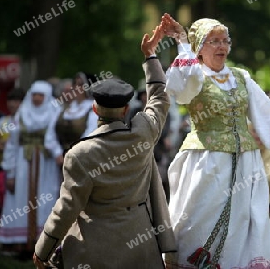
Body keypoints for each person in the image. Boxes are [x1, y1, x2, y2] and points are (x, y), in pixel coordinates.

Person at [161, 13, 270, 268]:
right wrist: (183, 42)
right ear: (200, 48)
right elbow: (180, 87)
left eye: (225, 41)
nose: (222, 46)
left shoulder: (241, 77)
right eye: (214, 41)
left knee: (243, 219)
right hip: (207, 161)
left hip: (245, 162)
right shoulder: (195, 76)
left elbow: (265, 110)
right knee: (200, 218)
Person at [33, 26, 176, 269]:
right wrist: (150, 55)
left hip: (92, 252)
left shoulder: (79, 154)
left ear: (95, 109)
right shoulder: (143, 133)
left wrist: (43, 249)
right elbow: (160, 98)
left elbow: (67, 208)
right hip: (141, 249)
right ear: (125, 110)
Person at [0, 81, 61, 258]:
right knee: (20, 200)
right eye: (34, 94)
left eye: (41, 95)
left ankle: (44, 245)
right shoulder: (22, 114)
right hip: (22, 164)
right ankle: (21, 246)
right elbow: (11, 143)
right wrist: (10, 172)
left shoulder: (54, 111)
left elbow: (56, 138)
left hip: (46, 164)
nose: (37, 98)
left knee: (46, 199)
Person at [45, 72, 98, 166]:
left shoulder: (93, 110)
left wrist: (73, 155)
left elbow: (90, 136)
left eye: (81, 85)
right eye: (75, 84)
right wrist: (57, 153)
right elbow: (50, 134)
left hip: (82, 161)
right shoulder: (63, 109)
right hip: (59, 161)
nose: (76, 88)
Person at [0, 88, 25, 252]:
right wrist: (9, 146)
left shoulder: (27, 121)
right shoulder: (4, 122)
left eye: (17, 100)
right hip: (3, 169)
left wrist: (7, 145)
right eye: (10, 100)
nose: (13, 104)